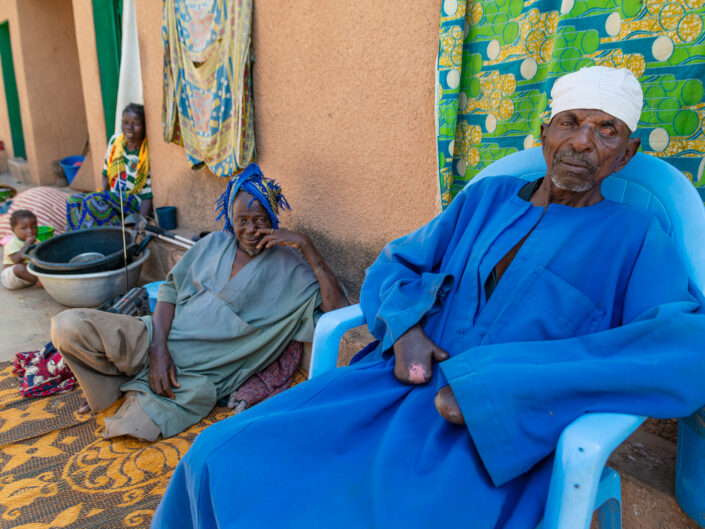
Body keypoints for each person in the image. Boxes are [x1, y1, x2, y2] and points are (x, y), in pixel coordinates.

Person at [152, 66, 705, 529]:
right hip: (397, 382)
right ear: (545, 133)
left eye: (607, 131)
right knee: (218, 456)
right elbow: (398, 262)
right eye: (572, 122)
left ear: (627, 154)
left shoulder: (635, 237)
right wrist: (406, 330)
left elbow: (682, 348)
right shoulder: (487, 197)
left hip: (500, 427)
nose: (584, 141)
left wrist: (503, 384)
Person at [51, 164, 348, 441]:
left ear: (273, 219)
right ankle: (123, 387)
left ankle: (135, 391)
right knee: (68, 326)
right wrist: (158, 349)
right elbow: (169, 290)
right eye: (242, 220)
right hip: (154, 339)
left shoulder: (291, 269)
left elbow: (339, 310)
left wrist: (307, 247)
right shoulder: (214, 244)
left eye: (260, 220)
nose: (251, 229)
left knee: (131, 429)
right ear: (231, 220)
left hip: (195, 375)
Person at [66, 103, 152, 230]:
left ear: (144, 127)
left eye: (136, 123)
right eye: (125, 122)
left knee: (93, 200)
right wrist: (104, 199)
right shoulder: (116, 141)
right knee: (73, 200)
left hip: (133, 201)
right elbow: (106, 173)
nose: (129, 127)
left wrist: (139, 224)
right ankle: (73, 238)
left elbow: (147, 196)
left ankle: (91, 239)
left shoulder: (145, 154)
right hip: (114, 197)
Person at [1, 209, 38, 290]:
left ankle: (39, 279)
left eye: (33, 227)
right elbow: (16, 260)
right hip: (12, 277)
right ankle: (41, 283)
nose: (30, 231)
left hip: (28, 275)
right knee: (19, 267)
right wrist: (27, 245)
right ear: (13, 230)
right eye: (24, 228)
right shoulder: (11, 244)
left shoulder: (37, 241)